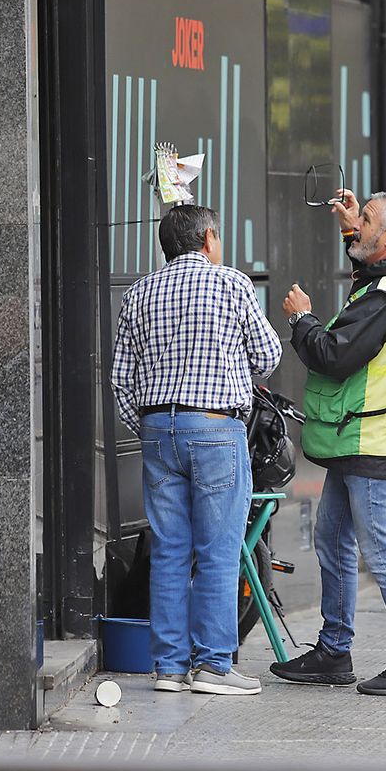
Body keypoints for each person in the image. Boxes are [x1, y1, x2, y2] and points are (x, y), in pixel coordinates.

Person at [269, 189, 386, 697]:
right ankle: (334, 650)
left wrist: (302, 319)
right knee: (332, 539)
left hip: (373, 439)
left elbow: (334, 355)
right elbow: (368, 276)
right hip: (358, 433)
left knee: (382, 553)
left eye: (365, 219)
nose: (357, 223)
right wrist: (349, 231)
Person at [110, 204, 282, 696]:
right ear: (208, 238)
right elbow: (268, 357)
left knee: (168, 551)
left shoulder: (139, 292)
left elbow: (121, 377)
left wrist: (148, 425)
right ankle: (212, 666)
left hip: (156, 430)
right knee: (218, 551)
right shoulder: (232, 284)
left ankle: (167, 668)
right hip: (214, 428)